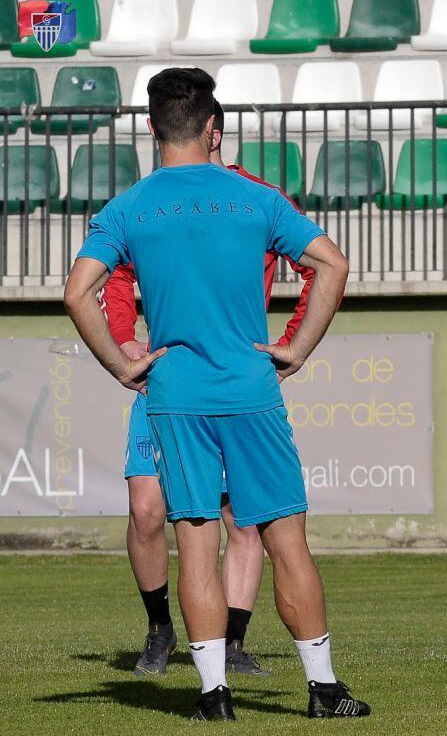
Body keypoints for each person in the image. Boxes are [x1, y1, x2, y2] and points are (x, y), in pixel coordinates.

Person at [64, 67, 367, 720]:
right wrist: (298, 346)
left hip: (175, 395)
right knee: (286, 539)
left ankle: (213, 696)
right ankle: (323, 689)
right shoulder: (252, 198)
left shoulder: (130, 207)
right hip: (252, 390)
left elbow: (75, 293)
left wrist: (121, 363)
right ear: (213, 128)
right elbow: (332, 263)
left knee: (196, 541)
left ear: (151, 129)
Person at [102, 99, 315, 679]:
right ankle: (159, 628)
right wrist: (124, 342)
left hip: (235, 382)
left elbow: (319, 264)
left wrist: (291, 341)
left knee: (241, 521)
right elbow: (112, 278)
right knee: (148, 509)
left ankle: (231, 646)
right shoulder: (147, 202)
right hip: (168, 381)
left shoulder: (253, 196)